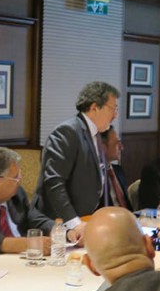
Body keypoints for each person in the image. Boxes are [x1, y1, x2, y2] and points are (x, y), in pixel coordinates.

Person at [34, 81, 120, 240]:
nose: (115, 115)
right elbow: (54, 183)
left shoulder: (95, 134)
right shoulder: (67, 132)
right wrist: (74, 223)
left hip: (84, 221)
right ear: (95, 107)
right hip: (60, 225)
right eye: (113, 109)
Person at [101, 125, 131, 209]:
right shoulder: (94, 176)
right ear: (103, 147)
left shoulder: (118, 170)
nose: (122, 147)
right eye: (117, 143)